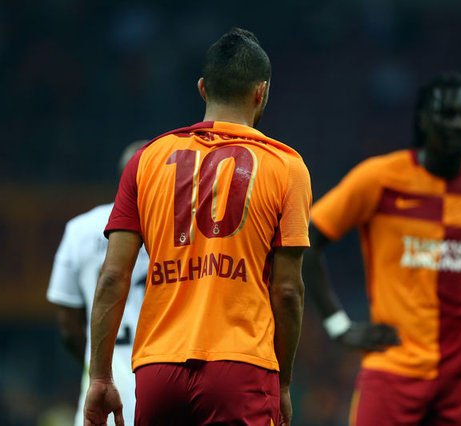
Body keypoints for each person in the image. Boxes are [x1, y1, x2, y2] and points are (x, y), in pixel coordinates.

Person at [83, 28, 312, 426]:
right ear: (261, 92)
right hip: (242, 369)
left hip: (158, 369)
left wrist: (100, 377)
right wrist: (285, 383)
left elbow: (113, 277)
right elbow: (288, 291)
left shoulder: (146, 159)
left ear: (203, 88)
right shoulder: (286, 167)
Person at [303, 71, 461, 425]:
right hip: (393, 369)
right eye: (448, 114)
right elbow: (307, 242)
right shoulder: (380, 178)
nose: (459, 124)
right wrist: (340, 326)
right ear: (423, 119)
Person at [46, 141, 150, 426]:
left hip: (104, 398)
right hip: (164, 387)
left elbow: (68, 327)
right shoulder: (181, 229)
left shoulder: (79, 230)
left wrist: (97, 368)